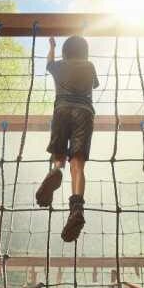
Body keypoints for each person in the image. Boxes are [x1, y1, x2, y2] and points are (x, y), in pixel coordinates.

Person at [35, 35, 99, 243]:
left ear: (65, 51)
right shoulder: (89, 66)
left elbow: (49, 63)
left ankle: (56, 170)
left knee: (60, 156)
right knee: (78, 165)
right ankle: (77, 208)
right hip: (84, 112)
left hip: (61, 109)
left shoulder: (59, 65)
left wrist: (51, 47)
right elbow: (94, 86)